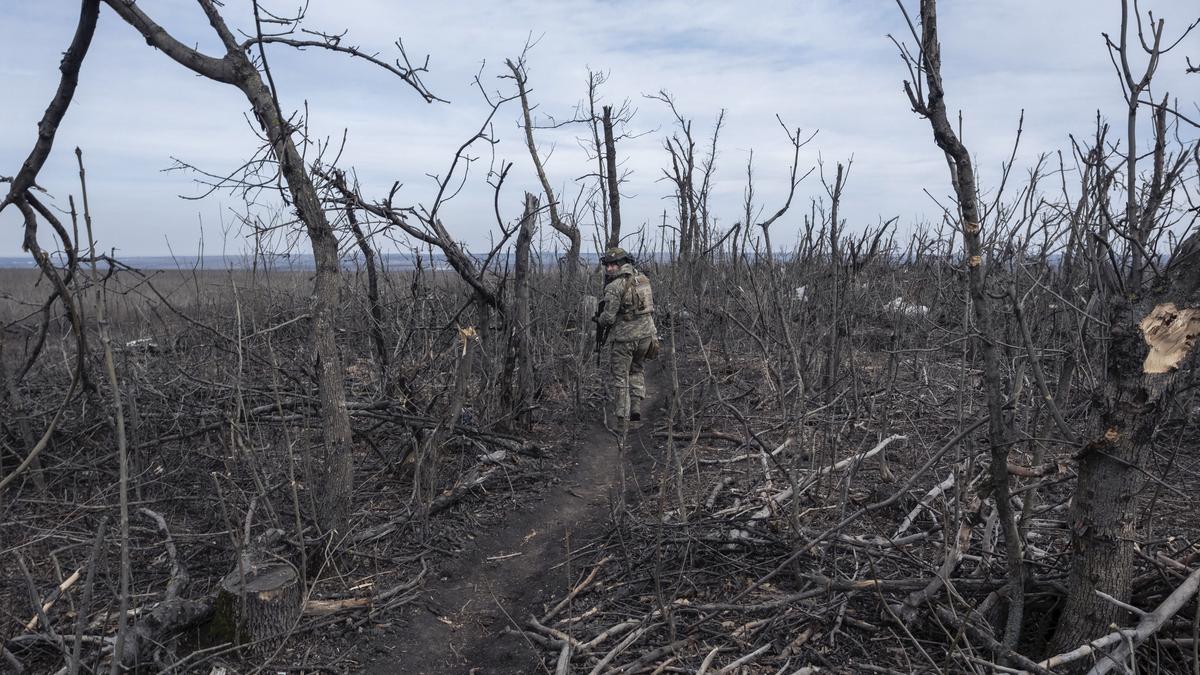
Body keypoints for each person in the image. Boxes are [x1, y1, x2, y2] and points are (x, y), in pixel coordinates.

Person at [595, 247, 656, 424]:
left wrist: (599, 320)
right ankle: (636, 410)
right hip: (646, 335)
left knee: (621, 377)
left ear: (622, 264)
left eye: (613, 265)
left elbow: (608, 317)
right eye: (608, 265)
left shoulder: (614, 287)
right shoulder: (643, 279)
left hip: (624, 339)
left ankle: (622, 420)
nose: (609, 268)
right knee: (636, 370)